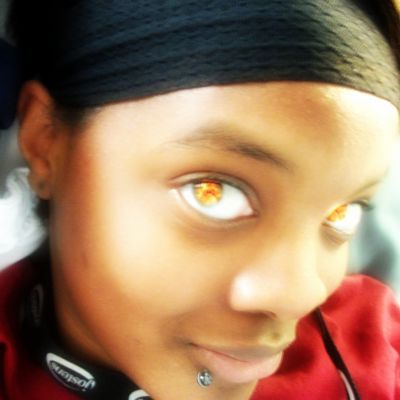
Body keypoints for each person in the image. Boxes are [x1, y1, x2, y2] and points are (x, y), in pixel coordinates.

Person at [1, 0, 399, 399]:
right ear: (45, 143)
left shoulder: (377, 342)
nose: (300, 296)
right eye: (214, 192)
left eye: (341, 212)